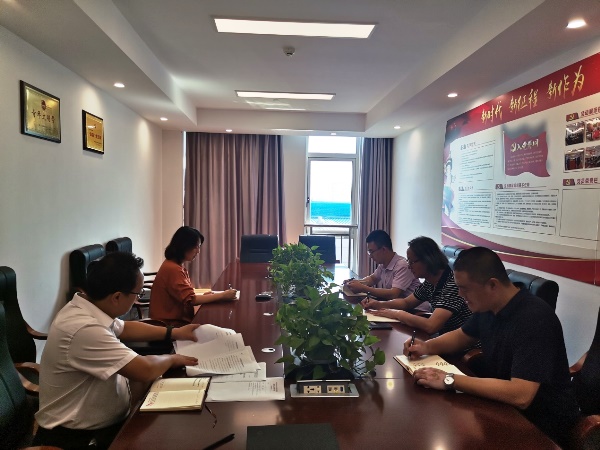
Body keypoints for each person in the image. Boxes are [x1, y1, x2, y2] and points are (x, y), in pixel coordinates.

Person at [405, 247, 580, 448]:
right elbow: (461, 336)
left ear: (492, 285)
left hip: (541, 426)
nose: (460, 294)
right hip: (503, 408)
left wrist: (449, 379)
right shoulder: (488, 306)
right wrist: (425, 347)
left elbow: (521, 395)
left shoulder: (535, 319)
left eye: (464, 288)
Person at [33, 252, 200, 450]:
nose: (138, 299)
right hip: (77, 438)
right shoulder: (84, 328)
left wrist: (174, 332)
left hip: (104, 421)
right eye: (138, 294)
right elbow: (144, 370)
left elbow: (125, 328)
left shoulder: (89, 307)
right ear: (117, 297)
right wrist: (172, 359)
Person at [361, 236, 472, 336]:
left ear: (427, 260)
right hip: (445, 338)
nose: (409, 267)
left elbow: (431, 326)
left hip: (463, 348)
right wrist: (378, 304)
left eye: (412, 262)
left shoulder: (452, 284)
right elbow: (406, 302)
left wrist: (397, 314)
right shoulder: (430, 282)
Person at [149, 226, 237, 324]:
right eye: (196, 247)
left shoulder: (174, 265)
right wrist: (223, 295)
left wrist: (206, 296)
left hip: (175, 321)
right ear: (184, 245)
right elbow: (192, 300)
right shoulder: (173, 269)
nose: (198, 251)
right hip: (170, 325)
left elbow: (187, 296)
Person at [344, 229, 420, 300]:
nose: (370, 256)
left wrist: (363, 288)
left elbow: (393, 294)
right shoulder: (383, 264)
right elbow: (373, 279)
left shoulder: (402, 265)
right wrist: (355, 283)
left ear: (384, 249)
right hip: (396, 305)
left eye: (371, 252)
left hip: (415, 308)